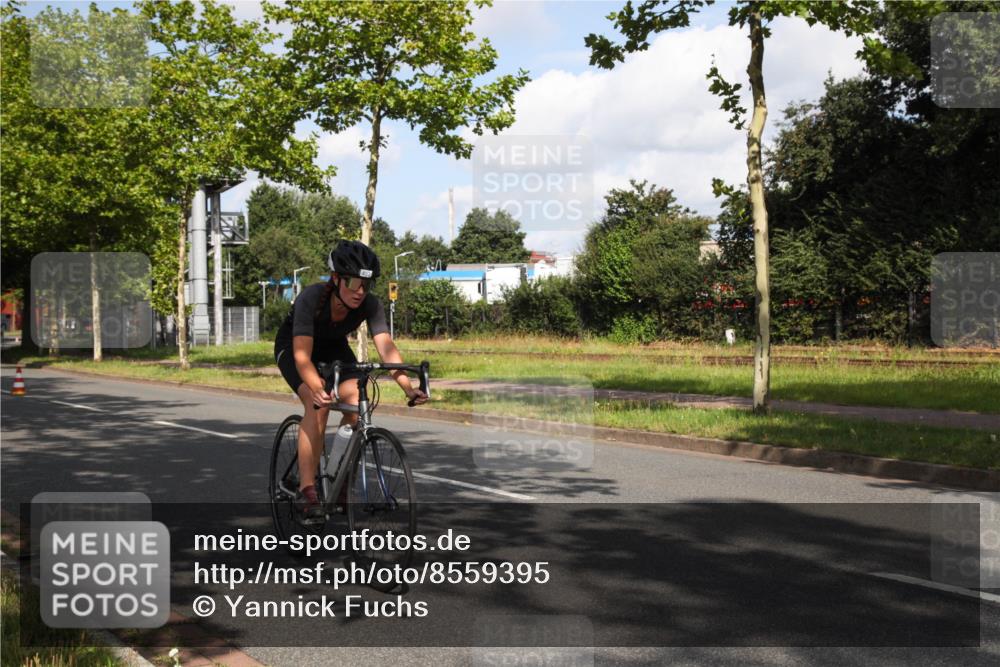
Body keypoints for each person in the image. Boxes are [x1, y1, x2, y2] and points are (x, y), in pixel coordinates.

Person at [274, 240, 427, 520]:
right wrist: (318, 387)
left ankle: (337, 479)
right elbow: (302, 358)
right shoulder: (312, 298)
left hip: (333, 348)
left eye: (366, 285)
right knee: (316, 403)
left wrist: (408, 387)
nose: (360, 292)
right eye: (354, 283)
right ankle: (308, 490)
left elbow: (387, 348)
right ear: (336, 279)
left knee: (359, 406)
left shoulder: (370, 305)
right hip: (296, 348)